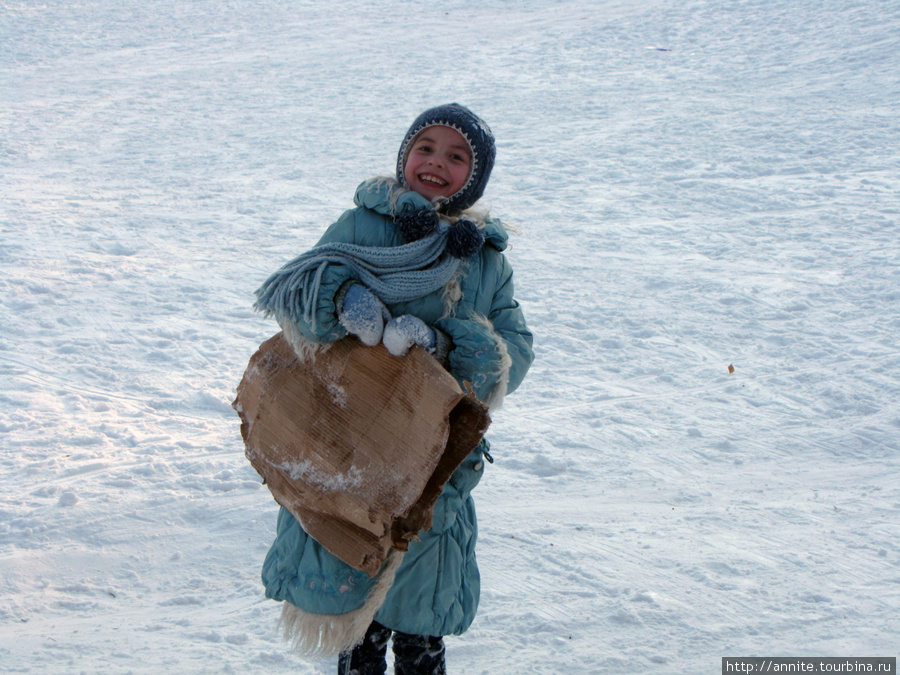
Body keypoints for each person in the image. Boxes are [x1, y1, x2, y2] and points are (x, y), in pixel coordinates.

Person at [254, 103, 534, 674]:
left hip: (435, 459)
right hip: (349, 442)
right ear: (406, 154)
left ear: (473, 178)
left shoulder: (483, 259)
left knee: (420, 621)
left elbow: (515, 351)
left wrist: (444, 347)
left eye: (457, 157)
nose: (436, 163)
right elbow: (302, 292)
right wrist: (342, 303)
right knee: (354, 611)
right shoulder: (361, 225)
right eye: (425, 147)